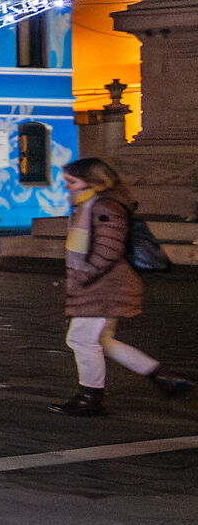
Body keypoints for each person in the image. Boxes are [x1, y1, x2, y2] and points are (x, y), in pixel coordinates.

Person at [53, 157, 192, 416]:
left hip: (105, 286)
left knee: (81, 340)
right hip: (99, 285)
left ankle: (90, 398)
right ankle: (164, 377)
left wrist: (84, 275)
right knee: (100, 340)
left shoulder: (104, 206)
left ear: (92, 181)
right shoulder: (87, 206)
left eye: (71, 181)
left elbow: (109, 249)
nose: (66, 187)